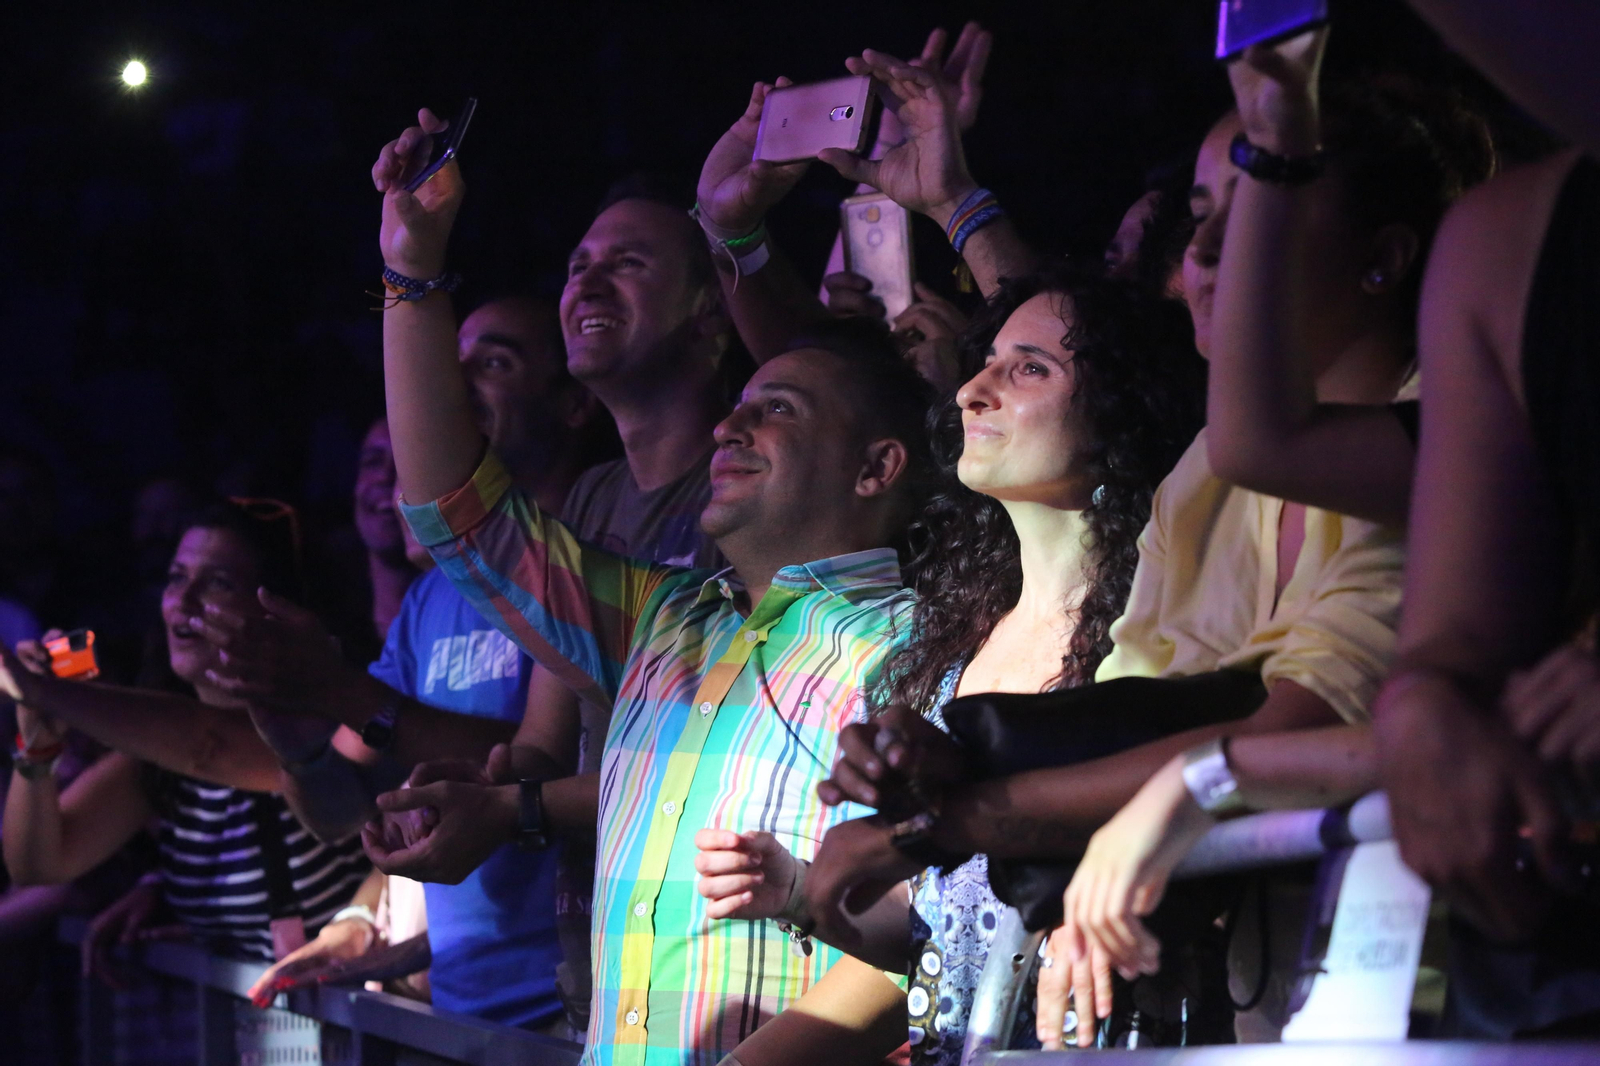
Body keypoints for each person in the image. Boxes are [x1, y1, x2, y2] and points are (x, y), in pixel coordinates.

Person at [364, 102, 938, 1065]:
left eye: (778, 410)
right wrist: (410, 273)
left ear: (877, 468)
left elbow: (922, 940)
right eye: (741, 408)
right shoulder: (667, 620)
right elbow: (458, 513)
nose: (730, 428)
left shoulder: (919, 641)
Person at [1030, 32, 1501, 1045]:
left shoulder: (1455, 439)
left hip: (1450, 986)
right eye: (1202, 218)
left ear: (1383, 259)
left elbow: (1288, 727)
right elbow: (1135, 718)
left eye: (1265, 204)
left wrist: (982, 812)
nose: (1204, 257)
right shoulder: (1200, 476)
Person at [693, 263, 1205, 1065]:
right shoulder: (946, 653)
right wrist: (809, 893)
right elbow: (943, 940)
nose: (973, 390)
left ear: (1123, 411)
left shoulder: (1170, 630)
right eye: (986, 360)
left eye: (1030, 368)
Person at [199, 295, 610, 1032]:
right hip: (458, 1012)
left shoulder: (602, 566)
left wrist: (341, 691)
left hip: (575, 1008)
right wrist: (298, 749)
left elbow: (548, 769)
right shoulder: (433, 598)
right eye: (450, 364)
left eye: (493, 362)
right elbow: (340, 810)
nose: (452, 385)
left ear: (576, 402)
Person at [1, 501, 371, 964]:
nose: (184, 600)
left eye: (217, 582)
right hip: (246, 1030)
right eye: (176, 578)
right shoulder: (157, 758)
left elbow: (210, 747)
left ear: (276, 607)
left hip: (360, 1023)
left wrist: (46, 691)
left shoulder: (321, 725)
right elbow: (39, 863)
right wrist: (37, 739)